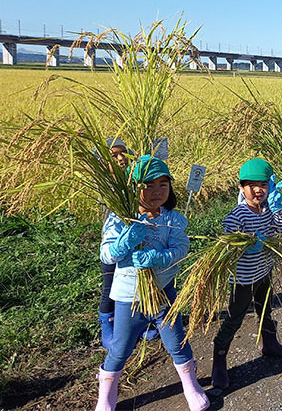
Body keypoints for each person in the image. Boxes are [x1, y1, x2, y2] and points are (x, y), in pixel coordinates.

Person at [97, 155, 209, 411]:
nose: (156, 191)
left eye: (163, 184)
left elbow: (182, 248)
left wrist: (158, 257)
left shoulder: (173, 219)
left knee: (177, 341)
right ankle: (105, 394)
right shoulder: (120, 219)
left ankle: (190, 385)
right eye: (148, 185)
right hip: (128, 296)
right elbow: (106, 255)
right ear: (134, 188)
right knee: (121, 348)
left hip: (164, 292)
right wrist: (124, 242)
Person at [211, 158, 282, 391]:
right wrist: (245, 245)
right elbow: (226, 247)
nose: (258, 190)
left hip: (264, 271)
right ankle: (219, 358)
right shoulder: (237, 215)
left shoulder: (268, 209)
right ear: (241, 187)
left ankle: (270, 343)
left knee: (266, 308)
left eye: (263, 184)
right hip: (243, 279)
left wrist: (278, 210)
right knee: (235, 318)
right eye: (252, 185)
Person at [98, 138, 132, 351]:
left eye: (124, 154)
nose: (121, 159)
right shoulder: (105, 186)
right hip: (113, 243)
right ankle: (105, 322)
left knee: (134, 280)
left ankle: (138, 321)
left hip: (136, 240)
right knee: (110, 284)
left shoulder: (134, 180)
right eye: (114, 155)